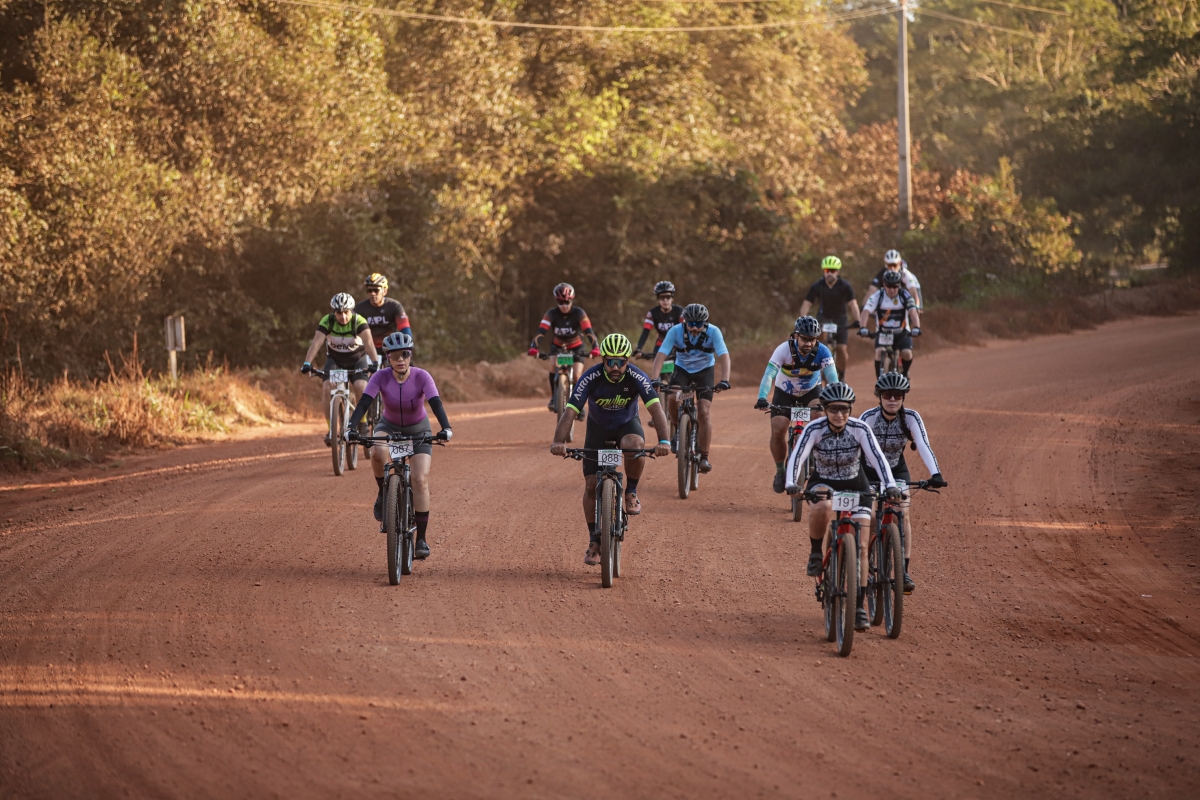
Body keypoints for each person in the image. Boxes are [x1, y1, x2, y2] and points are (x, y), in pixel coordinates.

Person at [785, 382, 901, 632]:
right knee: (822, 506)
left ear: (850, 409)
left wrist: (890, 484)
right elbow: (797, 456)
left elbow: (878, 458)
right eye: (834, 409)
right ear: (825, 409)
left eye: (845, 409)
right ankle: (816, 553)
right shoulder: (814, 429)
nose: (840, 414)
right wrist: (791, 482)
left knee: (861, 546)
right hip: (823, 482)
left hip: (855, 484)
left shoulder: (860, 428)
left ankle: (858, 607)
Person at [550, 334, 672, 566]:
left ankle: (631, 491)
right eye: (611, 362)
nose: (616, 367)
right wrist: (558, 441)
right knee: (590, 485)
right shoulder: (590, 377)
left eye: (621, 362)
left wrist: (664, 440)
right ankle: (594, 541)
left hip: (627, 426)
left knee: (634, 445)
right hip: (597, 430)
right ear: (603, 360)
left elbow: (656, 409)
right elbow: (571, 410)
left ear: (628, 361)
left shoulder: (637, 376)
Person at [346, 332, 451, 561]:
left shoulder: (422, 376)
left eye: (405, 354)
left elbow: (436, 403)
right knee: (377, 452)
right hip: (389, 426)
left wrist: (446, 427)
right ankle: (383, 494)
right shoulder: (380, 377)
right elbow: (364, 403)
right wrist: (351, 427)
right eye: (395, 355)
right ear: (388, 358)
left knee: (419, 479)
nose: (400, 359)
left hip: (418, 429)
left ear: (410, 355)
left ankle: (421, 538)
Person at [857, 372, 947, 594]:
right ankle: (865, 560)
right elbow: (855, 446)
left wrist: (935, 473)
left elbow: (923, 445)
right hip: (868, 472)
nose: (892, 399)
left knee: (903, 513)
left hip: (897, 469)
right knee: (871, 513)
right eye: (887, 394)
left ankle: (903, 571)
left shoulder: (911, 418)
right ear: (880, 396)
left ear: (903, 397)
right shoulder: (869, 417)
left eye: (897, 395)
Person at [754, 316, 839, 493]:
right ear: (795, 336)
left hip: (811, 391)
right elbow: (769, 374)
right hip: (785, 392)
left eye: (812, 339)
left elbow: (832, 375)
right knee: (778, 430)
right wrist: (762, 397)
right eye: (804, 339)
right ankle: (780, 471)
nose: (808, 343)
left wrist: (835, 396)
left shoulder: (823, 351)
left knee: (819, 417)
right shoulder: (783, 350)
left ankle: (815, 455)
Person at [650, 303, 731, 474]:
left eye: (698, 324)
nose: (694, 328)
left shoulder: (714, 332)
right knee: (672, 398)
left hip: (705, 371)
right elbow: (661, 355)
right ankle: (678, 431)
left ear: (705, 323)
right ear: (684, 322)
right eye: (691, 324)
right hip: (682, 371)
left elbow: (724, 356)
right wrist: (655, 379)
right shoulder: (675, 331)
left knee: (703, 411)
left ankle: (704, 457)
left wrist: (725, 379)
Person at [301, 293, 379, 446]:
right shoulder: (327, 321)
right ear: (333, 312)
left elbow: (369, 343)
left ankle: (362, 422)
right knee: (326, 388)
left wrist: (375, 362)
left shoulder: (358, 321)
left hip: (357, 361)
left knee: (360, 386)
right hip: (335, 361)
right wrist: (307, 363)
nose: (343, 317)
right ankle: (331, 430)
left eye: (346, 312)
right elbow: (316, 343)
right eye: (339, 313)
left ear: (352, 311)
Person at [527, 283, 600, 412]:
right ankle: (554, 397)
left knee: (577, 375)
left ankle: (578, 402)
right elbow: (541, 332)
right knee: (552, 366)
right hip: (558, 346)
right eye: (561, 303)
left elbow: (588, 331)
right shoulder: (551, 314)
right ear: (556, 301)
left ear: (572, 300)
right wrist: (534, 347)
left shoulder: (579, 313)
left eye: (567, 302)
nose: (564, 306)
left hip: (577, 346)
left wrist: (595, 347)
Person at [799, 256, 860, 381]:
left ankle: (841, 375)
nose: (829, 274)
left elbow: (853, 304)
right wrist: (802, 320)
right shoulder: (818, 286)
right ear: (824, 271)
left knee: (841, 349)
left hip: (840, 319)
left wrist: (858, 321)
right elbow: (807, 304)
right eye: (827, 271)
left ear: (838, 272)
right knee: (820, 338)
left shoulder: (845, 286)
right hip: (824, 317)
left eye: (832, 271)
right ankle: (821, 362)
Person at [858, 270, 921, 377]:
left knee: (907, 353)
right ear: (884, 285)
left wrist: (916, 327)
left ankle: (905, 373)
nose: (892, 290)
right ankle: (879, 380)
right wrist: (863, 327)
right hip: (883, 332)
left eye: (895, 286)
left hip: (902, 332)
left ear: (899, 286)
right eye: (889, 286)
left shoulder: (905, 295)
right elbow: (866, 311)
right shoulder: (878, 296)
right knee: (879, 352)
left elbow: (913, 312)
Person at [355, 273, 411, 366]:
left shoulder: (394, 306)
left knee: (407, 366)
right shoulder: (360, 308)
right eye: (369, 290)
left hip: (390, 347)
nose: (372, 294)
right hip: (367, 349)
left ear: (384, 291)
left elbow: (405, 330)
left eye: (376, 290)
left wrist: (406, 348)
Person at [633, 281, 684, 371]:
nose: (665, 300)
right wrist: (639, 348)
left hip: (677, 345)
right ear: (658, 299)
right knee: (659, 372)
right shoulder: (653, 313)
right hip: (661, 344)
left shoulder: (680, 311)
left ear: (672, 298)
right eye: (662, 297)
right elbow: (646, 331)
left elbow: (685, 330)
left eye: (668, 297)